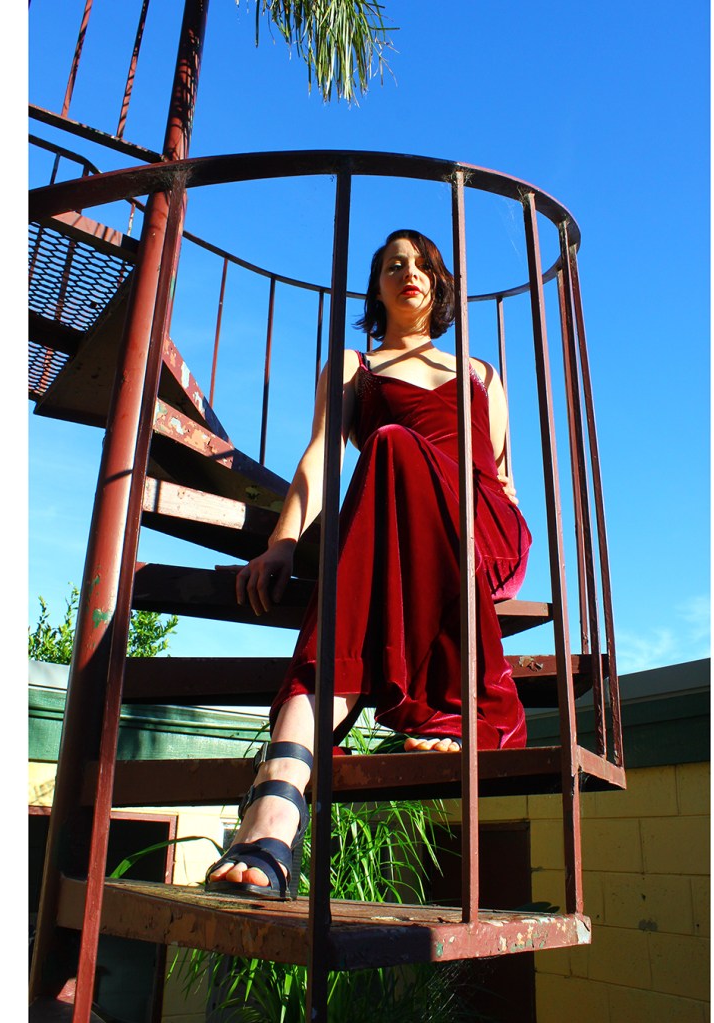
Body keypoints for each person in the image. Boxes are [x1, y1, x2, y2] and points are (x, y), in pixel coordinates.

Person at [206, 229, 532, 900]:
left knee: (392, 445)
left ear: (439, 286)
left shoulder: (480, 373)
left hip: (483, 532)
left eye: (423, 265)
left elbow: (502, 477)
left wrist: (474, 521)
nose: (409, 273)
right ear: (376, 289)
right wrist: (284, 540)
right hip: (399, 524)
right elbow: (323, 452)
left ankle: (285, 793)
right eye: (393, 266)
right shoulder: (355, 366)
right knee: (389, 450)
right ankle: (278, 802)